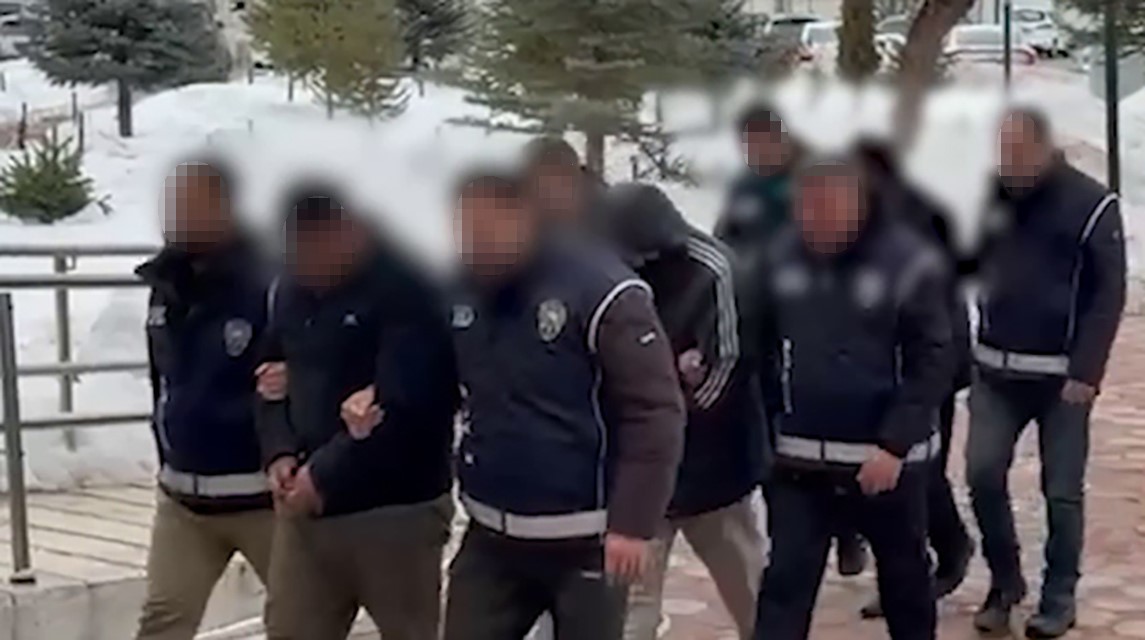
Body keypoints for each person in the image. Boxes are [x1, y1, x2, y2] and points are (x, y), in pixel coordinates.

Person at [441, 170, 687, 640]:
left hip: (588, 537)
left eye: (486, 229)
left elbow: (654, 410)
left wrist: (633, 523)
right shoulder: (462, 287)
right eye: (465, 230)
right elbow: (439, 380)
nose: (475, 244)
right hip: (491, 533)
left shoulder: (603, 290)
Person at [751, 155, 952, 640]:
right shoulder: (777, 257)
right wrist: (765, 430)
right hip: (799, 461)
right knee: (785, 582)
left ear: (857, 205)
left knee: (905, 579)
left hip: (885, 464)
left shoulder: (909, 262)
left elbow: (934, 358)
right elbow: (756, 348)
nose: (814, 221)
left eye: (826, 209)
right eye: (806, 209)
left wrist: (895, 444)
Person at [254, 186, 457, 640]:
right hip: (307, 511)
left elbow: (407, 401)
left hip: (395, 510)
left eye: (314, 247)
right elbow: (268, 379)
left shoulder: (410, 288)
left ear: (352, 232)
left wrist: (323, 474)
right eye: (293, 249)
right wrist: (278, 451)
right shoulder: (288, 290)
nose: (303, 263)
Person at [966, 108, 1126, 638]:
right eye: (1001, 149)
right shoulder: (990, 195)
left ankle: (1059, 595)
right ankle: (1005, 581)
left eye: (1016, 150)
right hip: (995, 369)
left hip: (1063, 380)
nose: (1006, 160)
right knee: (982, 475)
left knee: (1061, 490)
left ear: (1042, 147)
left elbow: (1108, 293)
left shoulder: (1091, 205)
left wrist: (1087, 369)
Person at [603, 183, 767, 640]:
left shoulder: (717, 271)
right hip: (643, 474)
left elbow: (728, 370)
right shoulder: (608, 265)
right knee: (631, 608)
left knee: (749, 591)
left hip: (714, 468)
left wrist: (665, 416)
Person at [716, 104, 868, 577]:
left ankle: (848, 530)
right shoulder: (745, 187)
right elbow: (724, 242)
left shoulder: (813, 180)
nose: (754, 154)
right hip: (757, 322)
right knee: (771, 431)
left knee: (828, 432)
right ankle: (788, 528)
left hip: (810, 319)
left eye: (760, 144)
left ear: (780, 139)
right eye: (747, 146)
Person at [134, 158, 282, 640]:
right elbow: (162, 381)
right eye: (172, 203)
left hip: (265, 501)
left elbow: (315, 366)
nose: (176, 215)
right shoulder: (165, 285)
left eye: (190, 203)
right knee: (162, 620)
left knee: (301, 623)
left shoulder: (271, 284)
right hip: (183, 501)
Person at [854, 140, 975, 619]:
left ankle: (941, 556)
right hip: (889, 362)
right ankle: (929, 560)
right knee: (905, 468)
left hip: (928, 360)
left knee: (916, 466)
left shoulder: (912, 217)